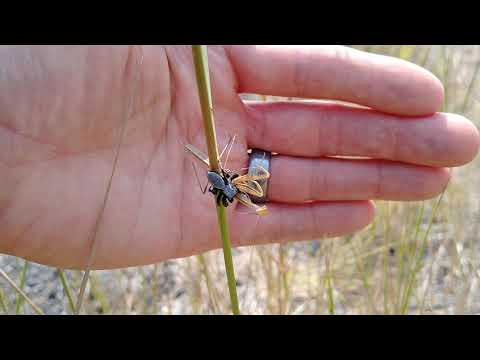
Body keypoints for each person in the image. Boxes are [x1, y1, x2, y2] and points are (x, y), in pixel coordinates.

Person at [0, 45, 478, 270]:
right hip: (232, 185)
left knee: (239, 188)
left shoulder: (224, 179)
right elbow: (220, 183)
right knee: (237, 187)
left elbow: (225, 184)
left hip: (235, 185)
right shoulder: (218, 178)